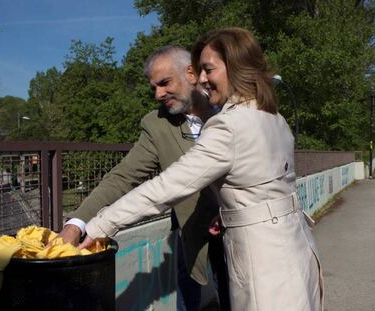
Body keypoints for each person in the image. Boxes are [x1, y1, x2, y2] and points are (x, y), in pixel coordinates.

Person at [79, 27, 324, 311]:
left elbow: (165, 188)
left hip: (264, 261)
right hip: (296, 248)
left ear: (234, 67)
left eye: (208, 69)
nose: (203, 78)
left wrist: (100, 226)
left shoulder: (228, 125)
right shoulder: (273, 116)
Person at [59, 46, 230, 310]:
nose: (158, 94)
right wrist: (77, 224)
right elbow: (122, 177)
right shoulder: (156, 124)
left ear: (191, 73)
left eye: (164, 83)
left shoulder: (229, 107)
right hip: (189, 230)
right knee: (187, 294)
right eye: (154, 87)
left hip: (237, 230)